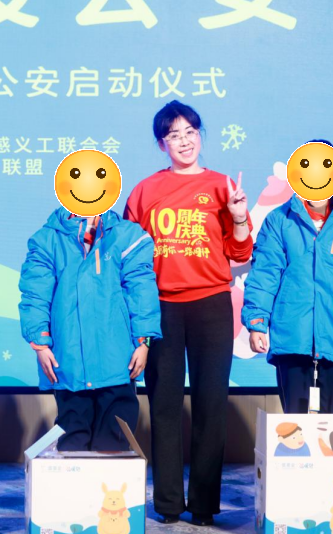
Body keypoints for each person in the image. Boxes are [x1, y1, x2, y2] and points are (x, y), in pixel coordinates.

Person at [123, 100, 252, 526]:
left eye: (190, 132)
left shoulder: (221, 185)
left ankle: (203, 504)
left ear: (200, 136)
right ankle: (167, 503)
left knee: (211, 404)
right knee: (164, 405)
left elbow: (240, 253)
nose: (184, 141)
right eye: (174, 135)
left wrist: (238, 217)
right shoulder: (144, 191)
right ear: (162, 144)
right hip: (161, 307)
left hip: (211, 304)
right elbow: (130, 255)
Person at [242, 140, 333, 414]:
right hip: (292, 339)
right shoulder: (279, 220)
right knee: (293, 430)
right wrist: (256, 321)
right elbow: (265, 274)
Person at [18, 194, 160, 450]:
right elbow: (35, 294)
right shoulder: (47, 239)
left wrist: (144, 341)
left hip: (117, 358)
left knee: (114, 443)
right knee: (73, 439)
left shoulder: (128, 236)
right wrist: (40, 343)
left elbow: (141, 290)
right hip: (68, 358)